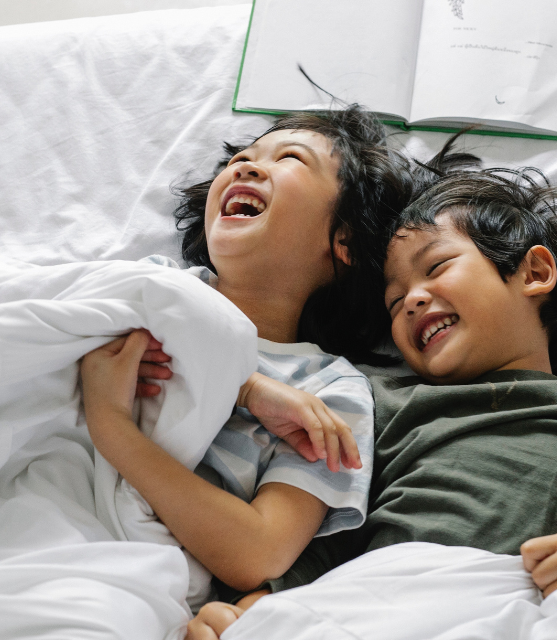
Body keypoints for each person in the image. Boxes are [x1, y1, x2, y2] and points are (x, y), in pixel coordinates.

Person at [188, 145, 557, 637]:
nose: (412, 300)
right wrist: (250, 608)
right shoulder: (376, 402)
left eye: (438, 266)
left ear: (533, 273)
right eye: (394, 301)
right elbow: (330, 538)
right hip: (382, 602)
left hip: (530, 601)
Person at [79, 106, 414, 605]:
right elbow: (45, 325)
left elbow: (259, 552)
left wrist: (112, 426)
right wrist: (245, 388)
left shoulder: (327, 393)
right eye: (240, 158)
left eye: (290, 158)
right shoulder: (158, 285)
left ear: (344, 238)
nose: (246, 166)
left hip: (122, 572)